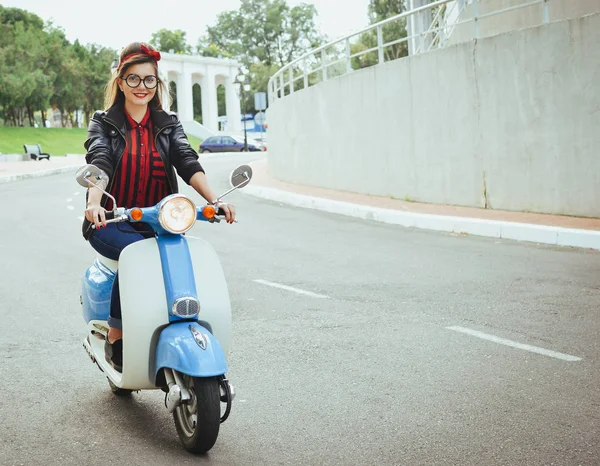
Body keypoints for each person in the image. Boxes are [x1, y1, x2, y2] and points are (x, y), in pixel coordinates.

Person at [82, 42, 235, 372]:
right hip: (112, 219)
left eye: (149, 80)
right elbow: (100, 159)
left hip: (160, 218)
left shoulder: (169, 123)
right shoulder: (104, 122)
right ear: (121, 82)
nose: (142, 87)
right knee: (137, 252)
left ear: (157, 84)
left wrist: (215, 200)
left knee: (180, 251)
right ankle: (117, 336)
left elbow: (186, 159)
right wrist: (95, 201)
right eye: (134, 79)